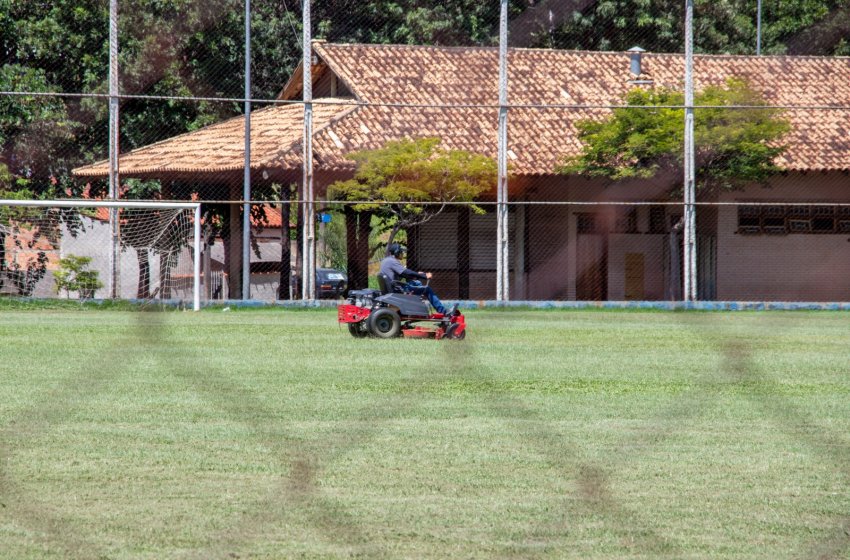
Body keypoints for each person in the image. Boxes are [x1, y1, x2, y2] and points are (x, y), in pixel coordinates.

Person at [379, 243, 450, 314]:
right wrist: (424, 276)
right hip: (398, 289)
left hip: (393, 287)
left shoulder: (387, 260)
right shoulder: (392, 261)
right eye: (401, 252)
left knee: (416, 283)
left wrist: (418, 274)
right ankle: (443, 311)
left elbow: (405, 275)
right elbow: (407, 272)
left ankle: (416, 307)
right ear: (396, 252)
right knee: (427, 289)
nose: (402, 253)